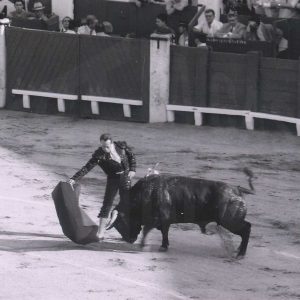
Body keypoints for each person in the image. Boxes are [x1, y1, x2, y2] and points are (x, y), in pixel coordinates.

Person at [68, 133, 136, 240]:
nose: (105, 149)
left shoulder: (121, 146)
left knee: (127, 204)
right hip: (113, 179)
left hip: (125, 177)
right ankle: (101, 233)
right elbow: (86, 168)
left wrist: (133, 169)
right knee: (106, 205)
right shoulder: (99, 155)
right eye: (103, 146)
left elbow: (131, 157)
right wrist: (74, 178)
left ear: (112, 143)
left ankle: (125, 231)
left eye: (107, 146)